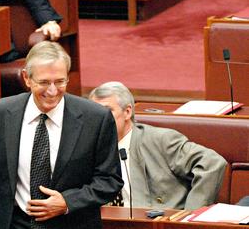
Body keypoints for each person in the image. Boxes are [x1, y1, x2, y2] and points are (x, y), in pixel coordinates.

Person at [0, 41, 123, 229]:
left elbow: (110, 180)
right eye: (44, 82)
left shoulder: (95, 118)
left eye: (60, 81)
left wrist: (67, 202)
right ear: (26, 78)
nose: (53, 90)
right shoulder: (1, 113)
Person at [89, 81, 227, 210]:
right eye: (94, 113)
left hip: (158, 224)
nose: (100, 119)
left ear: (127, 112)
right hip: (105, 224)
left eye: (107, 112)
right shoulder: (87, 146)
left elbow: (213, 163)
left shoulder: (161, 140)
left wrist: (191, 214)